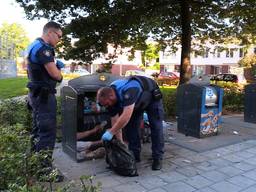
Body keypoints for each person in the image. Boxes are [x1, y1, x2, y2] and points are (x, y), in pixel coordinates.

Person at [97, 76, 165, 170]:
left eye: (107, 104)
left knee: (156, 127)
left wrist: (110, 132)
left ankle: (158, 158)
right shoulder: (109, 97)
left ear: (111, 97)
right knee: (132, 127)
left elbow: (126, 116)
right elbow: (115, 121)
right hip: (136, 103)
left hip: (151, 96)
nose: (106, 106)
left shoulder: (130, 89)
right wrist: (120, 144)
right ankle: (134, 155)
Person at [26, 21, 64, 182]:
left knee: (38, 130)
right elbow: (55, 75)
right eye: (59, 36)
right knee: (47, 132)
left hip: (35, 94)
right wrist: (60, 70)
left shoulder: (32, 45)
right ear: (50, 32)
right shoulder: (44, 49)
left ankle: (34, 163)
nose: (59, 40)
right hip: (44, 96)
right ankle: (44, 170)